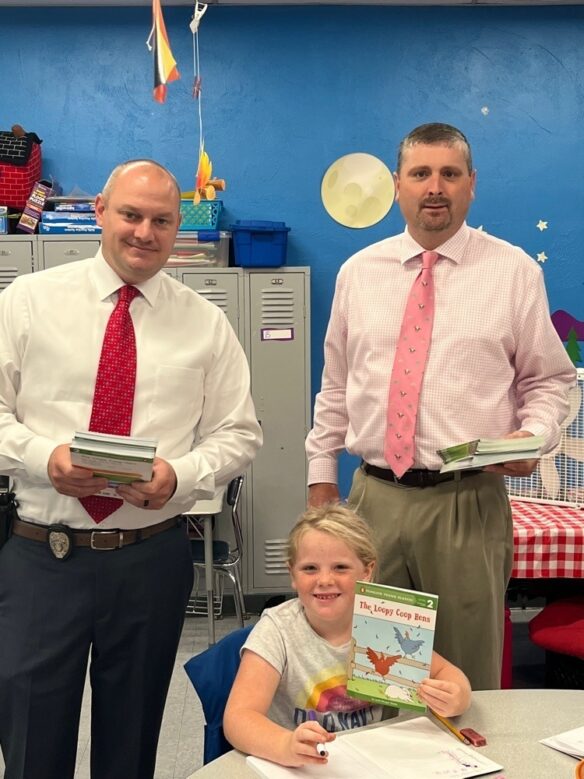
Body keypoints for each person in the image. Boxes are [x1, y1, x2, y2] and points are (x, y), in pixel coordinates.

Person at [0, 159, 262, 779]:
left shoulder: (206, 322)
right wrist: (45, 458)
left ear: (178, 229)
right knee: (33, 738)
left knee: (132, 741)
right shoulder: (28, 302)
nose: (145, 232)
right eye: (131, 215)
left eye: (162, 221)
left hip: (150, 559)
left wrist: (183, 474)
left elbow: (240, 433)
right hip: (43, 556)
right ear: (100, 213)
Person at [305, 123, 576, 691]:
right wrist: (321, 482)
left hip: (467, 501)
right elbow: (334, 388)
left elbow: (550, 380)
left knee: (466, 681)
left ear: (471, 185)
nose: (435, 187)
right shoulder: (359, 274)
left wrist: (534, 437)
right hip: (374, 501)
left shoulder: (514, 272)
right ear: (397, 185)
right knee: (385, 679)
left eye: (449, 174)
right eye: (421, 174)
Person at [223, 504, 471, 768]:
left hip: (367, 761)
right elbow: (238, 718)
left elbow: (450, 675)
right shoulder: (277, 629)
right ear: (292, 574)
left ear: (367, 571)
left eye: (340, 567)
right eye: (309, 569)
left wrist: (456, 698)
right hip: (298, 766)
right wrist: (285, 745)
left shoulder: (381, 622)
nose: (325, 580)